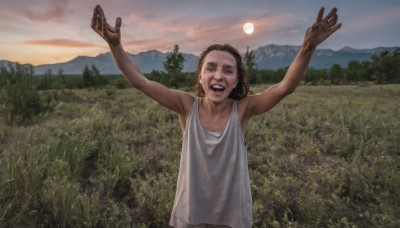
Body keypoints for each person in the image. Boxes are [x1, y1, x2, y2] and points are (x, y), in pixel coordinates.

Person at [91, 5, 341, 228]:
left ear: (236, 81)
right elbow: (142, 82)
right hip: (190, 214)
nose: (219, 75)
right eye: (211, 68)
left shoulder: (243, 110)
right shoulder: (186, 106)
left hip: (231, 218)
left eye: (228, 71)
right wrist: (115, 45)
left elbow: (284, 87)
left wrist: (308, 47)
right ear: (200, 76)